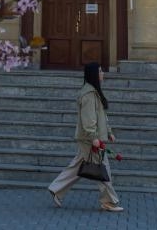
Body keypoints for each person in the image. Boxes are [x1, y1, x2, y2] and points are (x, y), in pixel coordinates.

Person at [47, 61, 123, 213]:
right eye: (100, 71)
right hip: (90, 139)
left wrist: (109, 132)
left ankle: (56, 189)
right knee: (102, 170)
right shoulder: (88, 94)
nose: (103, 74)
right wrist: (94, 137)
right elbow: (89, 119)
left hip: (92, 138)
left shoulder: (94, 92)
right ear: (94, 74)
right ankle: (108, 201)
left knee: (78, 167)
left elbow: (102, 116)